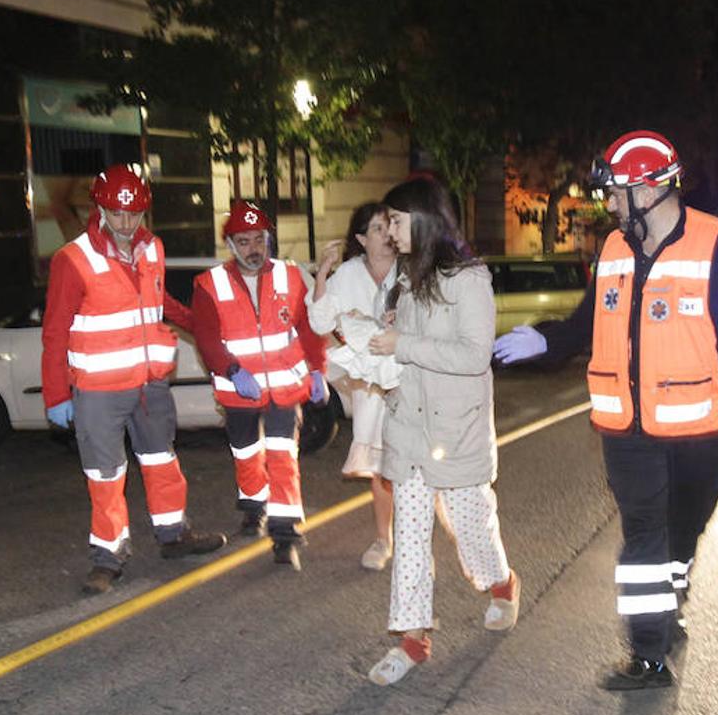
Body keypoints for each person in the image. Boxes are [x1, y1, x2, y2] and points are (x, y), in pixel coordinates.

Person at [493, 130, 718, 690]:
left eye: (617, 193)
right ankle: (649, 655)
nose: (609, 204)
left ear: (651, 189)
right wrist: (546, 341)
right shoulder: (613, 249)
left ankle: (672, 596)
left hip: (700, 428)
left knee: (683, 532)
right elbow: (586, 324)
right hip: (627, 429)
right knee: (644, 536)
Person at [363, 175, 520, 686]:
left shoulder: (469, 280)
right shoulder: (408, 276)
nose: (388, 231)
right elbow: (405, 339)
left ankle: (501, 583)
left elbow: (475, 357)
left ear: (425, 220)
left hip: (456, 433)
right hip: (411, 430)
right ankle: (413, 640)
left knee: (471, 527)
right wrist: (388, 326)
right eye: (385, 222)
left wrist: (403, 343)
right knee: (410, 539)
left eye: (396, 221)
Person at [41, 164, 227, 595]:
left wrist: (204, 327)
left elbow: (158, 301)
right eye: (116, 213)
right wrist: (55, 394)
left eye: (135, 214)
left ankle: (173, 536)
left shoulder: (152, 249)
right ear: (100, 209)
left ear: (144, 211)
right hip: (98, 391)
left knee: (162, 463)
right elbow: (54, 332)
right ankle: (108, 558)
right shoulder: (74, 259)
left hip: (150, 386)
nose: (126, 223)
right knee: (105, 476)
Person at [190, 200, 327, 571]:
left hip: (286, 389)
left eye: (258, 239)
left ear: (267, 239)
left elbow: (309, 327)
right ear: (231, 245)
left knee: (283, 457)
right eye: (244, 241)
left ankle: (284, 535)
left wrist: (317, 369)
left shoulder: (291, 276)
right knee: (247, 454)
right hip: (239, 390)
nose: (253, 248)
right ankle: (253, 506)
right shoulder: (209, 285)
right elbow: (206, 337)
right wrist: (232, 369)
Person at [306, 202, 398, 571]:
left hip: (409, 374)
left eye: (389, 226)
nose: (387, 235)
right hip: (371, 383)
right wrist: (323, 273)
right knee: (381, 464)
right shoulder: (348, 274)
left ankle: (418, 536)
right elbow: (319, 320)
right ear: (361, 238)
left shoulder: (410, 270)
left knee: (418, 459)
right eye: (377, 229)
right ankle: (383, 539)